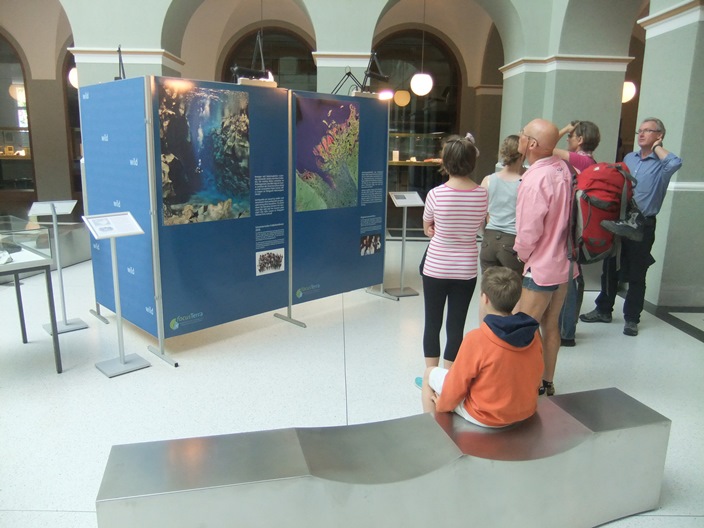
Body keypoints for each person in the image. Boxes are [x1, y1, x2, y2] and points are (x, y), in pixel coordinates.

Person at [580, 117, 682, 336]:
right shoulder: (629, 158)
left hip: (642, 223)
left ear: (659, 135)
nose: (641, 134)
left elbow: (676, 163)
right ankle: (603, 309)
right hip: (620, 220)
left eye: (648, 131)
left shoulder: (662, 164)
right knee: (610, 266)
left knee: (637, 272)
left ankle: (631, 318)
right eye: (640, 131)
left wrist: (658, 149)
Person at [420, 266, 542, 428]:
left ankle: (432, 433)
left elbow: (454, 389)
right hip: (525, 410)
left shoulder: (476, 339)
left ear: (485, 298)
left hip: (486, 416)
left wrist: (441, 404)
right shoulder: (533, 333)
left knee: (429, 374)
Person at [513, 118, 576, 396]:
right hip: (566, 263)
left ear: (532, 144)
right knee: (551, 325)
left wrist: (522, 255)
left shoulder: (535, 178)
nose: (519, 137)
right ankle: (547, 382)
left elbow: (529, 231)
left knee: (524, 325)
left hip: (541, 266)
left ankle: (525, 383)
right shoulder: (563, 168)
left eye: (523, 134)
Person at [420, 134, 488, 368]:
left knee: (432, 323)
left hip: (436, 266)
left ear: (445, 162)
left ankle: (431, 376)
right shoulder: (482, 194)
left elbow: (427, 226)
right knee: (456, 324)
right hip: (466, 268)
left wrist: (435, 229)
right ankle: (448, 377)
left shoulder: (436, 194)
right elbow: (480, 227)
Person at [553, 120, 601, 347]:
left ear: (580, 140)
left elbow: (544, 146)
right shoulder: (591, 162)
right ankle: (567, 327)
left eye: (571, 136)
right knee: (574, 276)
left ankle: (566, 331)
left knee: (570, 278)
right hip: (581, 226)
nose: (568, 139)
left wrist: (562, 128)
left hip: (574, 227)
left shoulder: (582, 159)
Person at [479, 134, 524, 274]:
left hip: (489, 239)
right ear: (523, 155)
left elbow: (482, 215)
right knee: (512, 289)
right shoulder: (525, 182)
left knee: (488, 288)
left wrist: (484, 234)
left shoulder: (488, 180)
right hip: (512, 240)